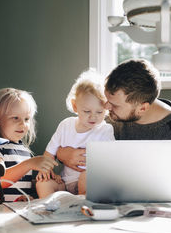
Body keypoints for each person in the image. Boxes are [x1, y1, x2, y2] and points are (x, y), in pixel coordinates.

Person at [58, 59, 171, 195]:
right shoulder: (112, 116)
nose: (106, 107)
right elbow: (73, 138)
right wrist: (62, 154)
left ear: (142, 108)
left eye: (114, 105)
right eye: (107, 100)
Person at [37, 69, 114, 198]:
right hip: (64, 181)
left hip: (90, 181)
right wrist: (46, 170)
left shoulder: (105, 130)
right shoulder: (65, 125)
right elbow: (50, 153)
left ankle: (82, 202)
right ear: (75, 106)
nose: (93, 117)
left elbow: (111, 159)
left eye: (99, 112)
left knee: (87, 176)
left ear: (106, 109)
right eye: (87, 111)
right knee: (42, 183)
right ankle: (48, 208)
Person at [0, 88, 58, 201]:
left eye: (27, 119)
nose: (23, 124)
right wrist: (28, 164)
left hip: (18, 210)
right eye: (15, 118)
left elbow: (21, 184)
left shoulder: (24, 150)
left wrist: (46, 178)